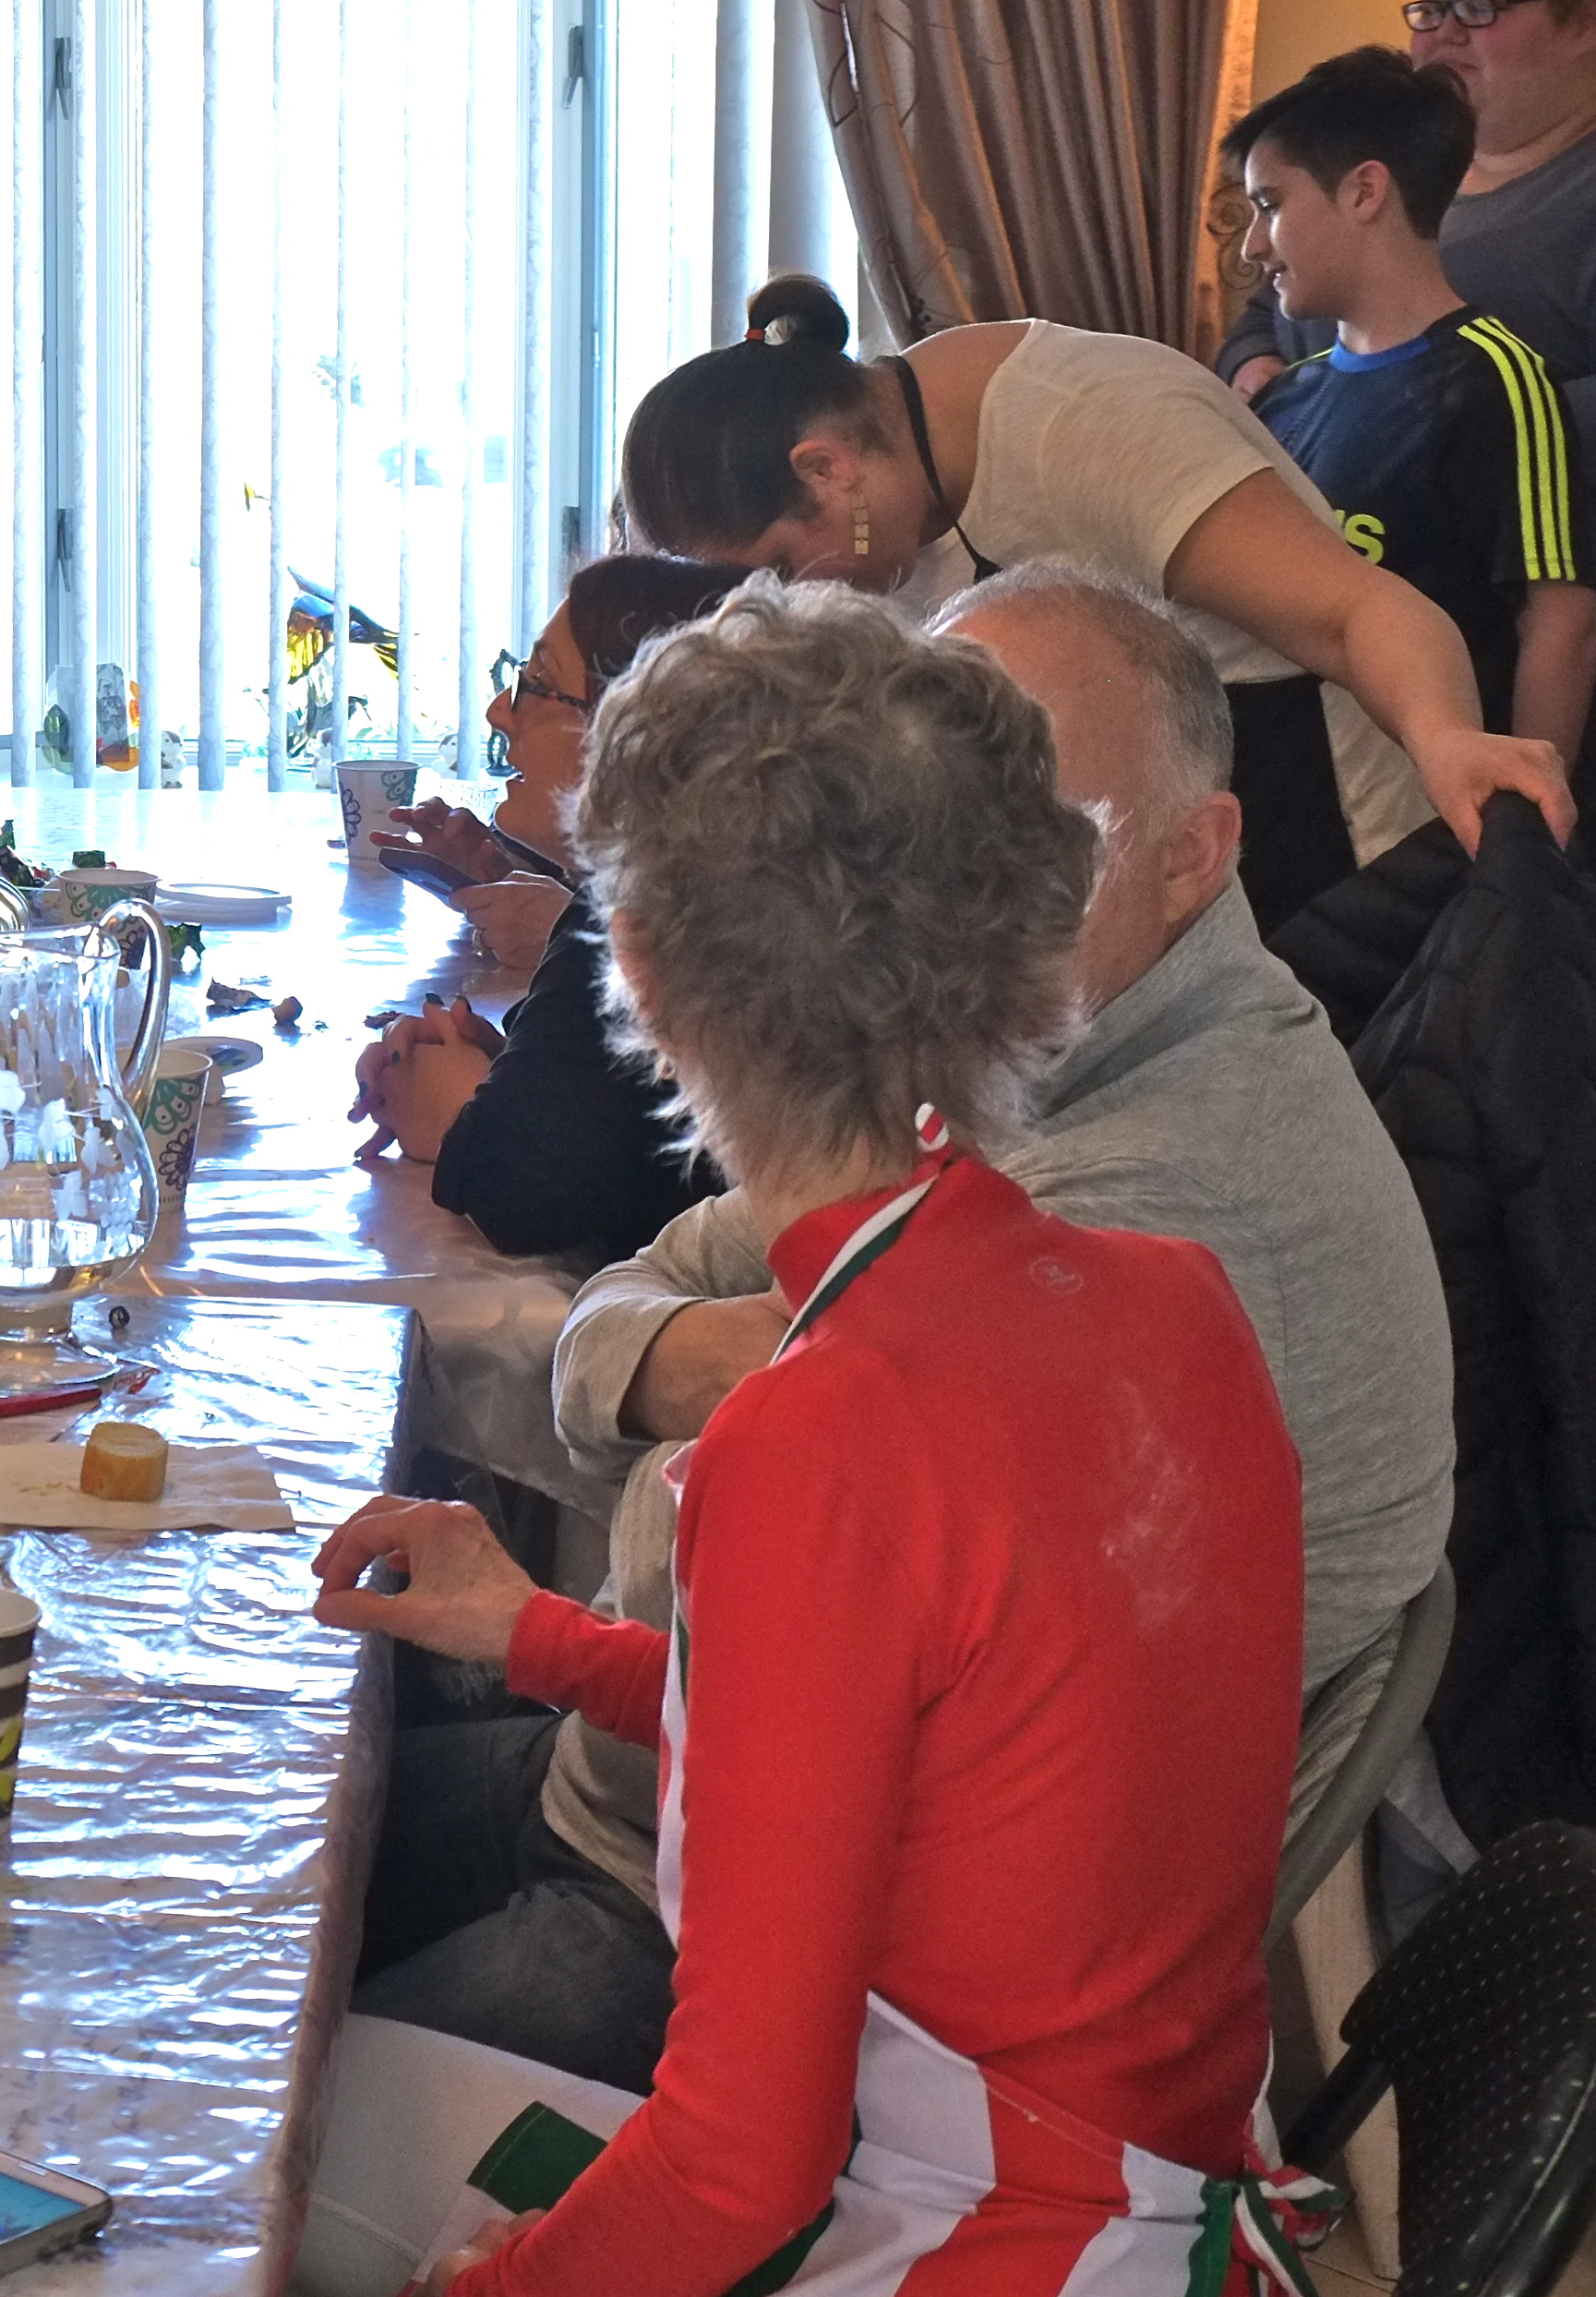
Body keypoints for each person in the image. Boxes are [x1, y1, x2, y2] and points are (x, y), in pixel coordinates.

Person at [302, 582, 1307, 2297]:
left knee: (275, 2160)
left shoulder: (814, 1432)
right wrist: (538, 1633)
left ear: (633, 967)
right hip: (1180, 2219)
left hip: (970, 2240)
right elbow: (914, 1741)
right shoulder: (1173, 1298)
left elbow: (732, 2172)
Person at [620, 271, 1569, 930]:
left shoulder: (1085, 421)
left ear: (824, 469)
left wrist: (1446, 736)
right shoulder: (894, 497)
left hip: (1331, 835)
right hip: (1153, 866)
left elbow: (1360, 611)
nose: (799, 602)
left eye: (786, 566)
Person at [352, 556, 748, 1276]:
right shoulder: (734, 888)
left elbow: (527, 1191)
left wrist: (458, 1112)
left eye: (536, 685)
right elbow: (628, 1133)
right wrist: (511, 1074)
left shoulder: (638, 909)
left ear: (637, 726)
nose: (499, 712)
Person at [1230, 46, 1596, 763]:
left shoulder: (1495, 381)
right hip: (1298, 795)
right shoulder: (1286, 398)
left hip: (1426, 799)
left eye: (1270, 205)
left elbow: (1561, 623)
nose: (1251, 246)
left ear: (1365, 192)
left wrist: (1520, 813)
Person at [1414, 0, 1596, 934]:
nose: (1439, 37)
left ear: (1586, 20)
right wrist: (1253, 367)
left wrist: (1453, 427)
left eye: (1477, 9)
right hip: (1433, 645)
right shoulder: (1414, 173)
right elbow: (1277, 303)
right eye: (1428, 10)